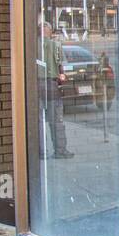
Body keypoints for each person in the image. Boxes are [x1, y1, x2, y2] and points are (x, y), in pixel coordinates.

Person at [41, 20, 74, 159]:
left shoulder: (32, 45)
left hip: (36, 84)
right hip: (51, 85)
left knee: (38, 121)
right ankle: (60, 150)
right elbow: (61, 67)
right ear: (51, 31)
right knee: (56, 120)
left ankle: (40, 152)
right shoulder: (55, 45)